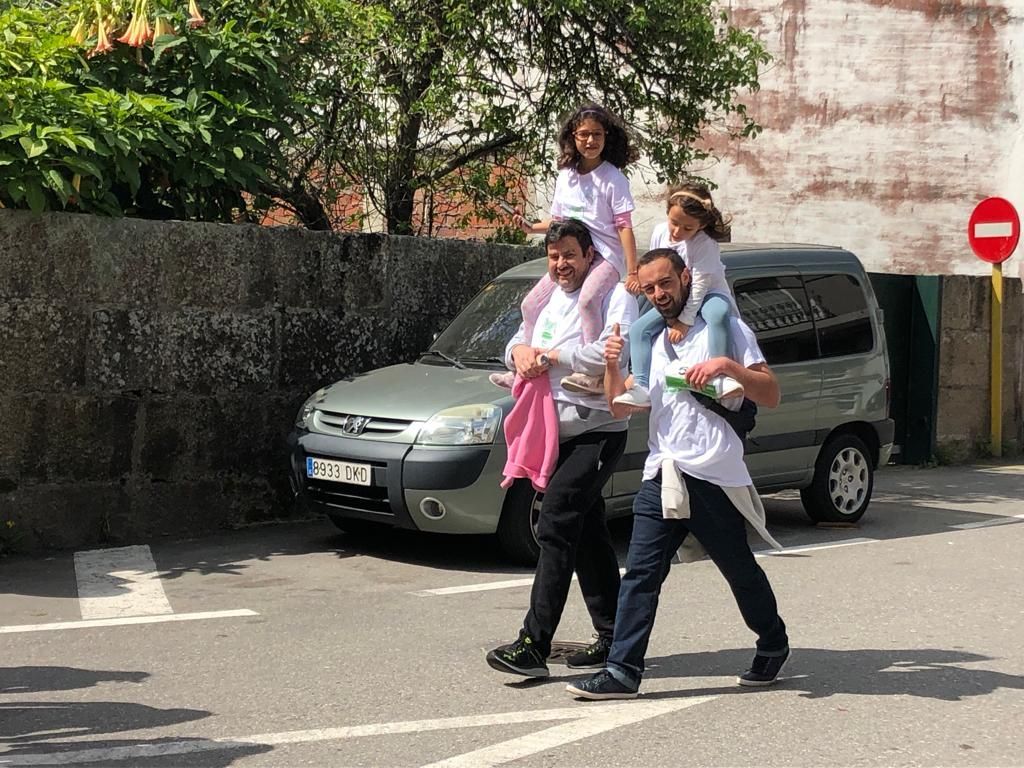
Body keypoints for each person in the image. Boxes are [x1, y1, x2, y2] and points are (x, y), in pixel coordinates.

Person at [566, 247, 790, 700]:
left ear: (686, 276)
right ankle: (623, 671)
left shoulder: (725, 328)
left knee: (738, 569)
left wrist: (727, 367)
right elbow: (620, 404)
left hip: (712, 473)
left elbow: (771, 394)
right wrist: (612, 365)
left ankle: (773, 641)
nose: (658, 294)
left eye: (665, 283)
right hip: (663, 471)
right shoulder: (651, 340)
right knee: (642, 573)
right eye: (648, 288)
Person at [486, 218, 639, 679]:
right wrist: (519, 355)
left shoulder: (614, 295)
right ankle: (614, 637)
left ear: (589, 254)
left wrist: (551, 357)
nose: (561, 264)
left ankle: (534, 644)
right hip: (556, 431)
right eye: (554, 257)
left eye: (569, 255)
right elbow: (519, 339)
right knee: (587, 532)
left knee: (553, 521)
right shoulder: (548, 297)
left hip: (597, 431)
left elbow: (613, 353)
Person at [490, 103, 640, 395]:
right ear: (572, 136)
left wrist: (632, 271)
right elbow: (560, 220)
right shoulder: (566, 176)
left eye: (597, 134)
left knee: (586, 302)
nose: (590, 141)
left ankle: (592, 374)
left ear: (607, 136)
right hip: (577, 251)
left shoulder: (613, 178)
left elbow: (624, 226)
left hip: (604, 257)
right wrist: (532, 228)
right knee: (530, 304)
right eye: (584, 134)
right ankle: (524, 369)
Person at [613, 183, 741, 410]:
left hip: (708, 295)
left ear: (701, 225)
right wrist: (636, 278)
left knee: (717, 314)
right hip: (675, 298)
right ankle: (641, 386)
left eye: (687, 228)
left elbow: (700, 285)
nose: (677, 232)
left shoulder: (705, 244)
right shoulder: (660, 232)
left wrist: (684, 321)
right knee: (638, 329)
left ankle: (719, 374)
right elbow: (652, 266)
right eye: (674, 222)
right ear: (667, 213)